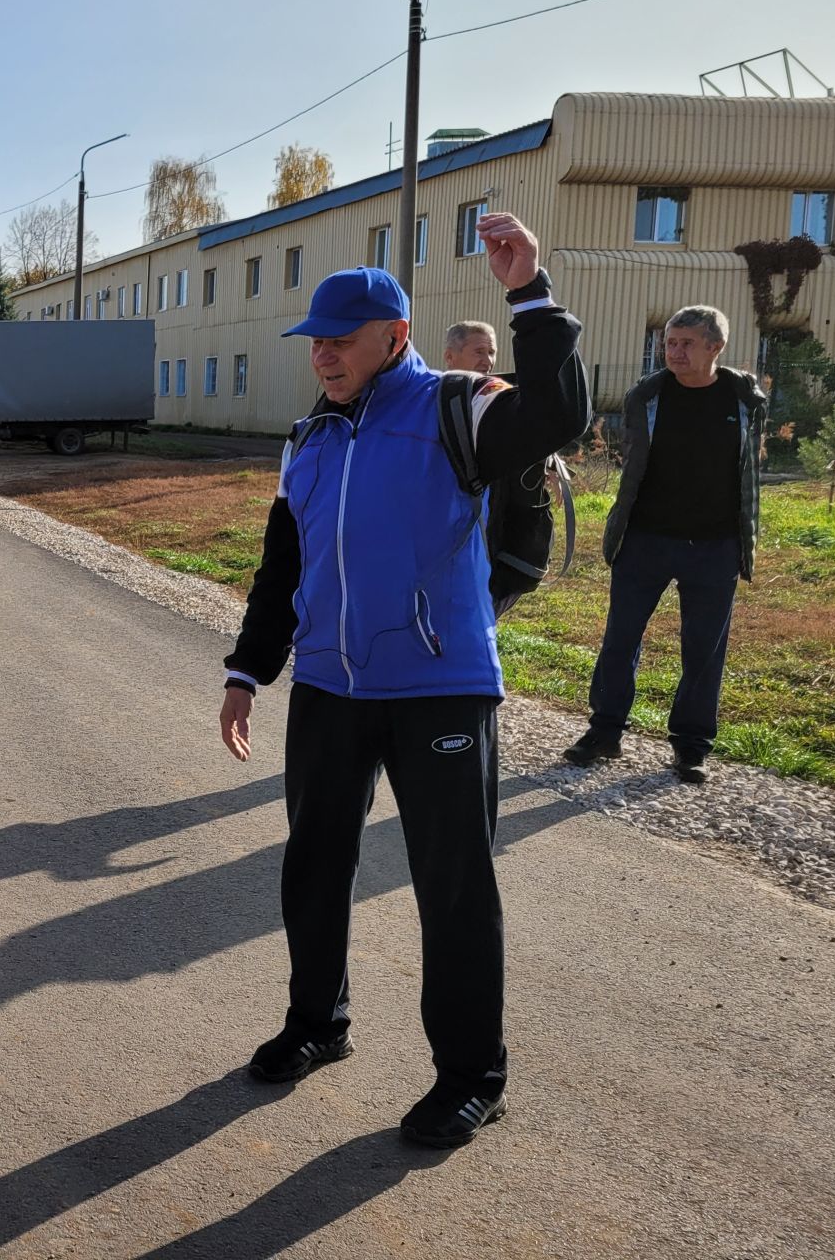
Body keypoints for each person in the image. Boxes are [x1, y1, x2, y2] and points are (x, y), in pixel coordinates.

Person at [218, 214, 589, 1148]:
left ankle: (472, 1076)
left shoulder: (451, 406)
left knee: (452, 884)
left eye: (342, 342)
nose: (325, 357)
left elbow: (555, 420)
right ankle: (317, 1023)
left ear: (395, 338)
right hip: (333, 690)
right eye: (316, 343)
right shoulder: (307, 439)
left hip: (439, 687)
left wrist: (529, 292)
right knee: (313, 866)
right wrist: (247, 670)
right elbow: (283, 566)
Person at [562, 307, 767, 785]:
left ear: (715, 347)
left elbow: (749, 472)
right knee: (620, 640)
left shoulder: (744, 398)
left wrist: (743, 542)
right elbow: (634, 467)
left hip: (715, 547)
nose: (673, 352)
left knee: (703, 650)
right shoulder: (646, 396)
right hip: (645, 540)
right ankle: (605, 732)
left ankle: (692, 747)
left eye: (686, 343)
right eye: (669, 342)